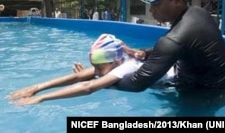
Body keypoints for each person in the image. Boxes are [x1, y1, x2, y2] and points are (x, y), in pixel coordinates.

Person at [114, 0, 225, 92]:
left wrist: (107, 77)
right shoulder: (199, 13)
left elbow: (136, 83)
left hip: (199, 101)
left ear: (177, 0)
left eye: (156, 3)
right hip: (220, 91)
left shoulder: (175, 38)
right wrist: (146, 53)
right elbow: (184, 45)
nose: (151, 10)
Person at [7, 34, 147, 105]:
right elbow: (78, 77)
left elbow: (88, 87)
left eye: (99, 68)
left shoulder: (127, 66)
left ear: (115, 61)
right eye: (94, 67)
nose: (96, 71)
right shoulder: (115, 62)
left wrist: (41, 97)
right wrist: (35, 88)